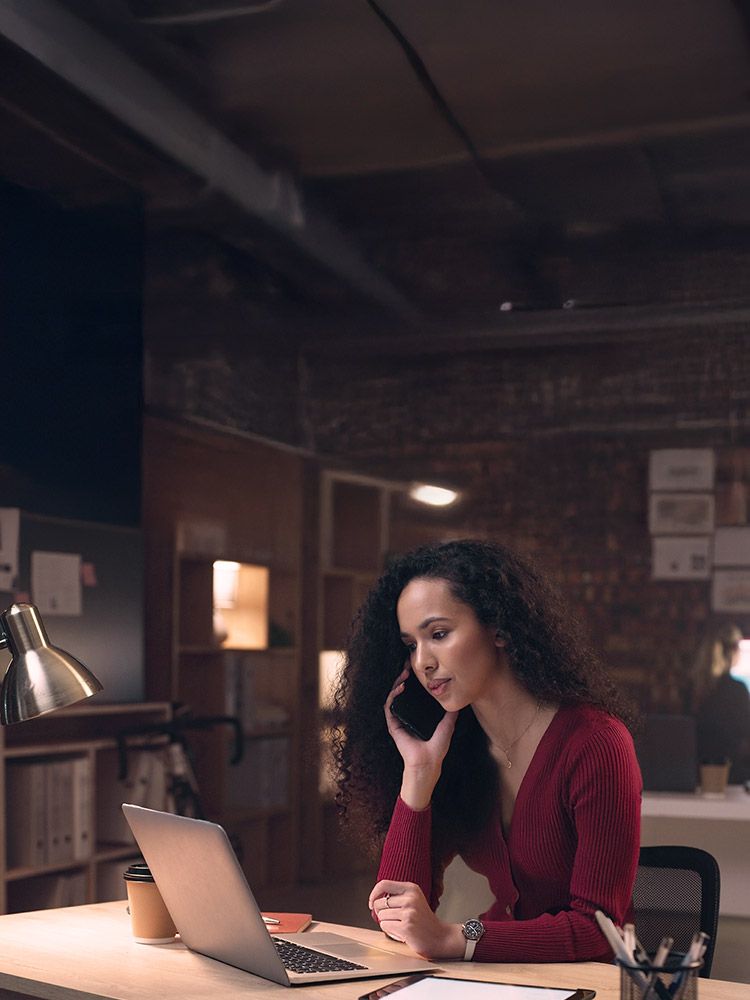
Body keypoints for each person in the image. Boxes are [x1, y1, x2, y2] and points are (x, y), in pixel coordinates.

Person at [331, 539, 641, 963]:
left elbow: (597, 930)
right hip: (501, 975)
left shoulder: (596, 743)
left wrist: (456, 937)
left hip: (590, 983)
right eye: (410, 644)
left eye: (438, 634)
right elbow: (396, 907)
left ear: (498, 628)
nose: (423, 661)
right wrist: (419, 772)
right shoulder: (458, 745)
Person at [692, 623, 750, 783]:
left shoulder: (695, 688)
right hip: (732, 774)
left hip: (697, 774)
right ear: (733, 651)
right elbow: (745, 736)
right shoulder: (737, 690)